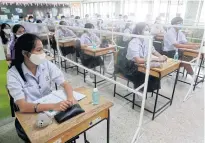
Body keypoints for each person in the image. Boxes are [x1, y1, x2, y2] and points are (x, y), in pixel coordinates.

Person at [7, 33, 76, 142]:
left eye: (42, 50)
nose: (43, 54)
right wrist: (54, 106)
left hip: (51, 110)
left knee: (69, 130)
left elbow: (65, 83)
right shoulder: (13, 74)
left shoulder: (46, 64)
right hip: (31, 114)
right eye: (38, 50)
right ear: (25, 53)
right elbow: (23, 107)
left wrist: (71, 97)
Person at [121, 22, 167, 91]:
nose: (148, 32)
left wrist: (161, 56)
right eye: (145, 30)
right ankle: (139, 94)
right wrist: (156, 59)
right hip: (131, 66)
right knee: (144, 75)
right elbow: (138, 60)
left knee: (155, 74)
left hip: (141, 64)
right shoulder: (134, 42)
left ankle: (145, 90)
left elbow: (153, 51)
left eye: (148, 30)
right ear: (139, 31)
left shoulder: (147, 40)